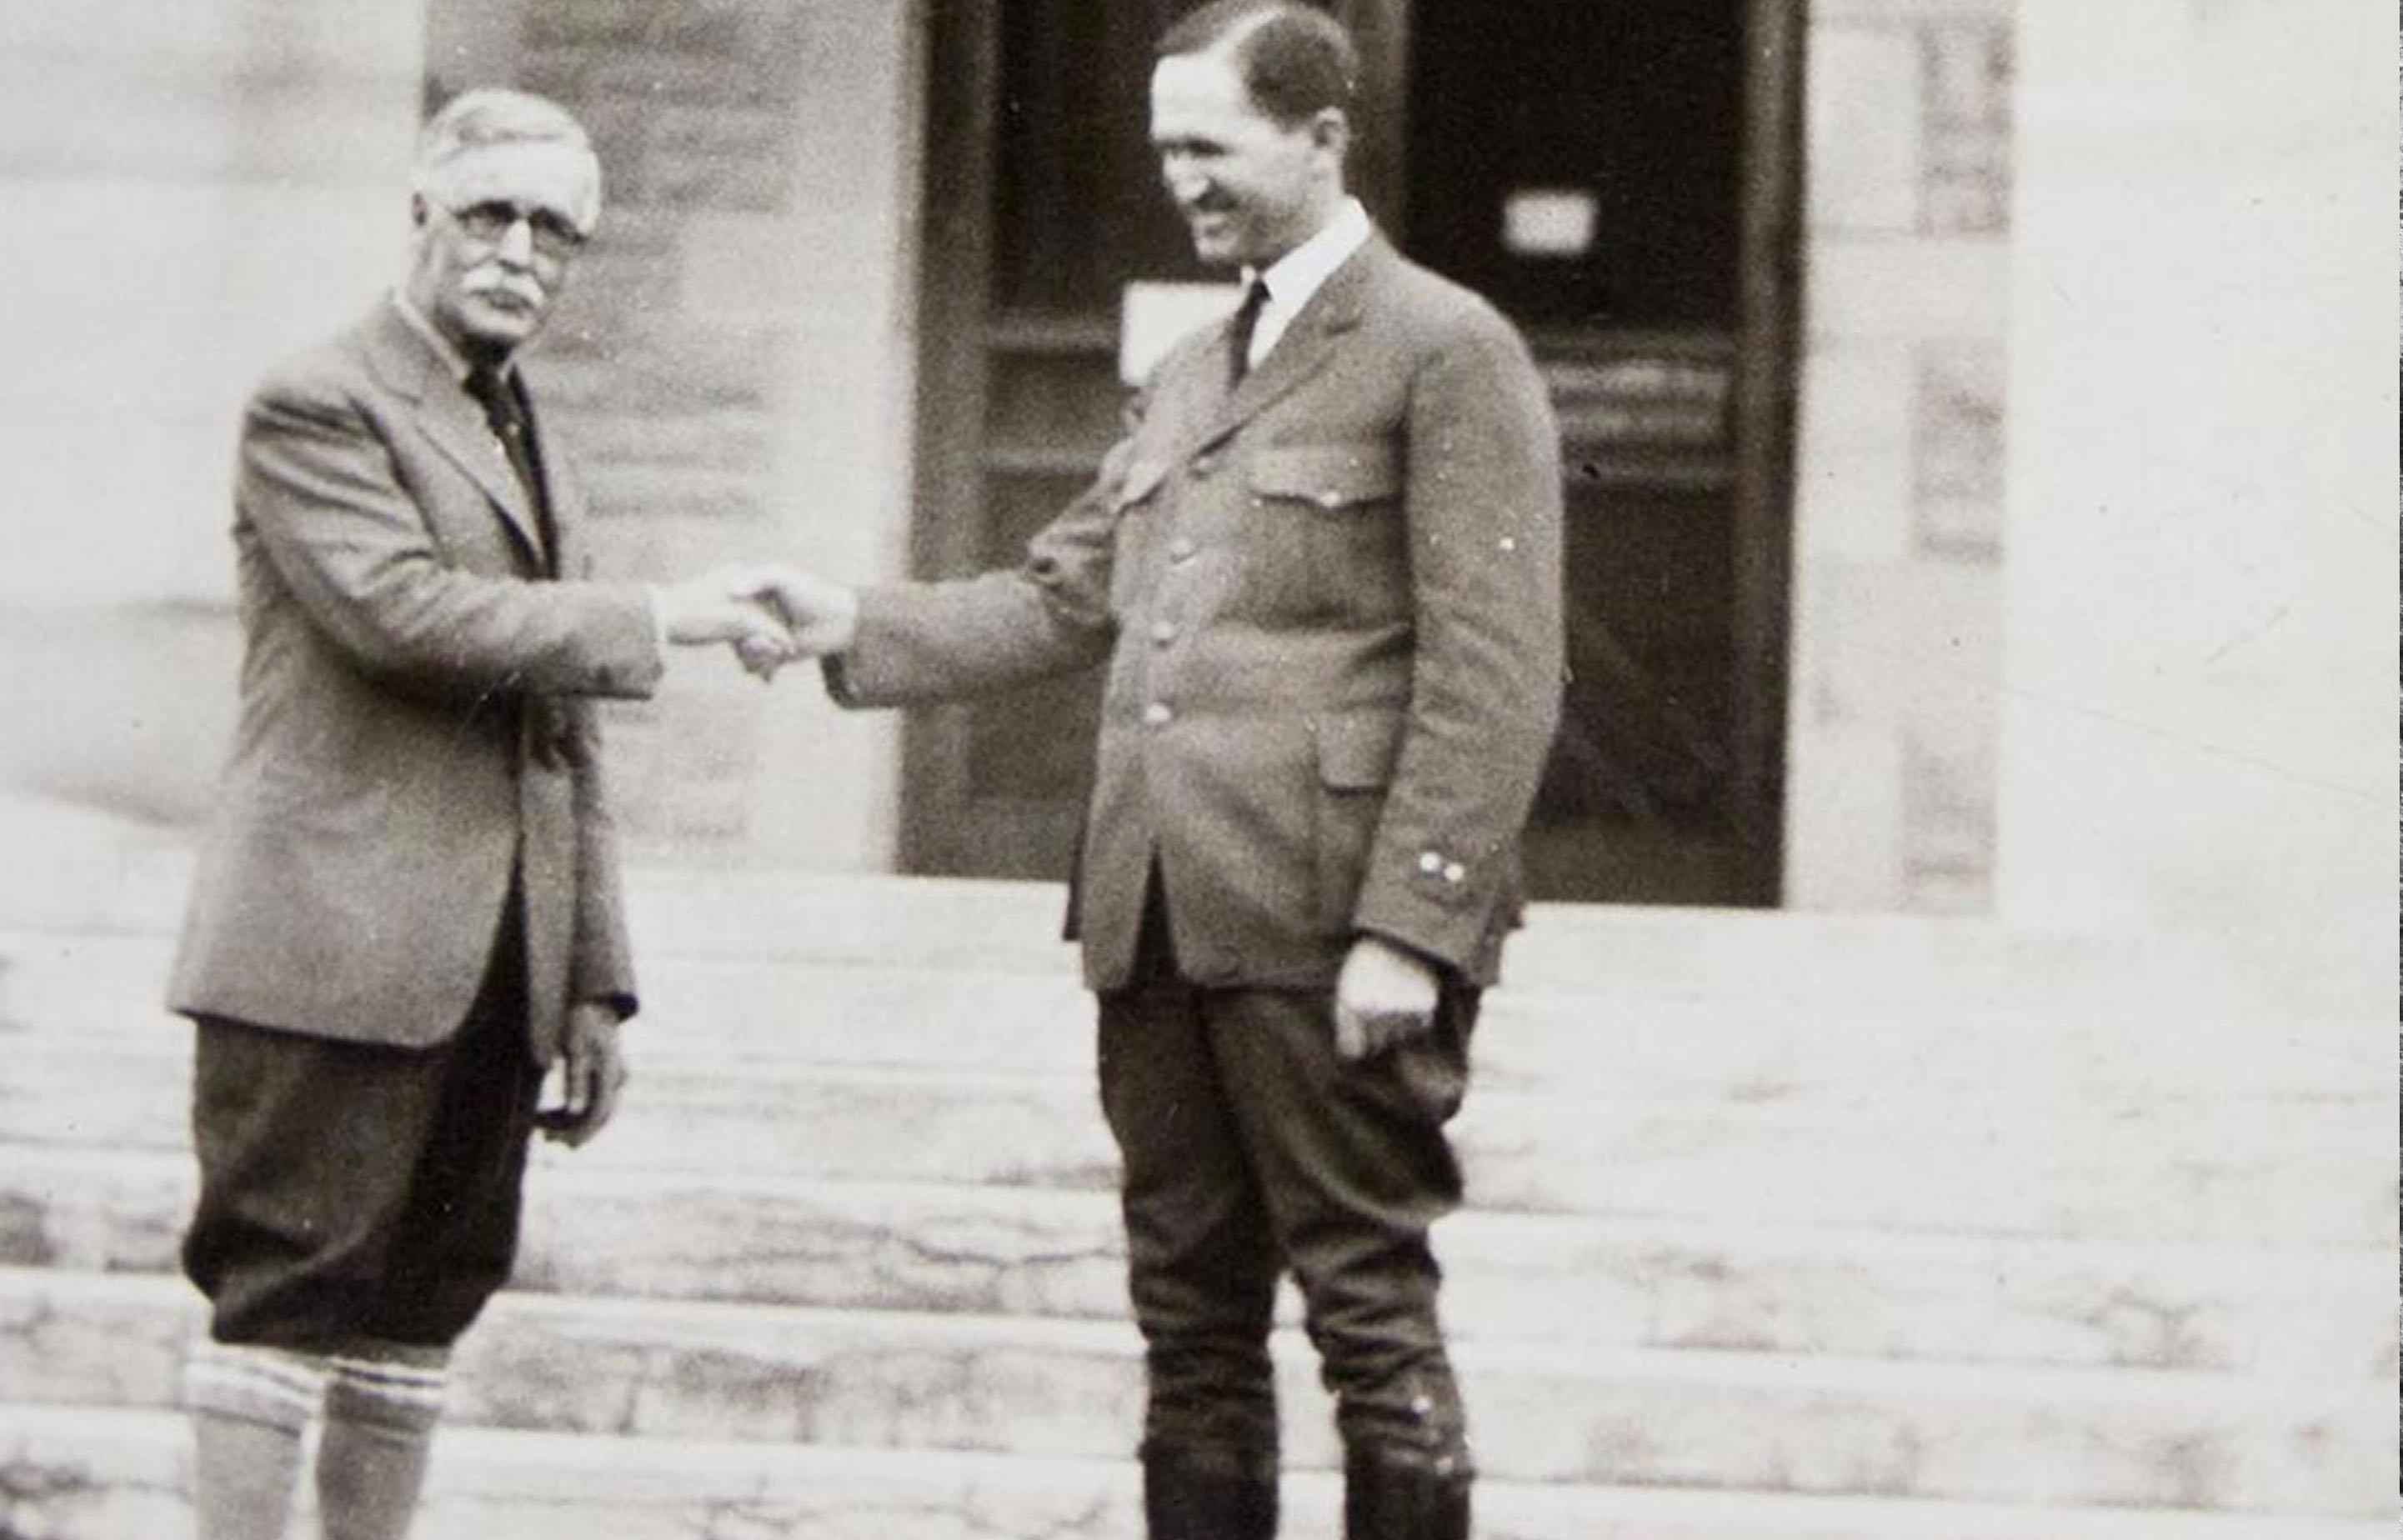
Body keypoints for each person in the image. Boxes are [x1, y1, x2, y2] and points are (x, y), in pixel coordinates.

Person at [745, 5, 1563, 1535]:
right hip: (1156, 918)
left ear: (1321, 138)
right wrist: (853, 622)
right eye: (1163, 150)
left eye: (1210, 147)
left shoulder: (1444, 347)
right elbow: (1071, 594)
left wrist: (1414, 924)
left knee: (1366, 1316)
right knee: (1188, 1328)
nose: (1180, 181)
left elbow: (1496, 671)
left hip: (1329, 929)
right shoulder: (1191, 369)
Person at [166, 88, 788, 1540]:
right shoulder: (317, 397)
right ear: (422, 215)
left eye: (555, 232)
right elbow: (404, 618)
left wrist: (591, 980)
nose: (521, 253)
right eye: (493, 215)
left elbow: (554, 734)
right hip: (324, 948)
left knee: (419, 1319)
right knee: (283, 1302)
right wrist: (659, 612)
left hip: (490, 969)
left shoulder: (516, 426)